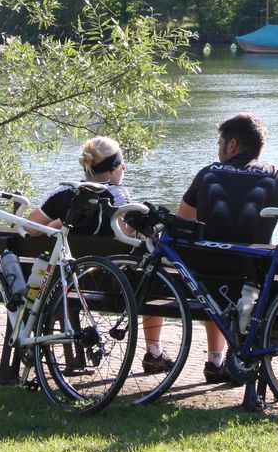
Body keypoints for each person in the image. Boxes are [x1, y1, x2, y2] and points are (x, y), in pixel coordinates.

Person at [177, 112, 278, 385]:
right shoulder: (277, 176)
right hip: (253, 282)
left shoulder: (207, 174)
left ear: (232, 145)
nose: (218, 148)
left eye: (220, 142)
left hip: (206, 279)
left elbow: (184, 222)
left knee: (214, 285)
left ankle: (215, 359)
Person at [25, 137, 175, 376]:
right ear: (114, 169)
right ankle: (154, 352)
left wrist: (62, 222)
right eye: (122, 164)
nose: (124, 168)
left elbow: (30, 228)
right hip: (117, 286)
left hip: (69, 284)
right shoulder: (118, 196)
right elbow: (128, 235)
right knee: (153, 282)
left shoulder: (65, 194)